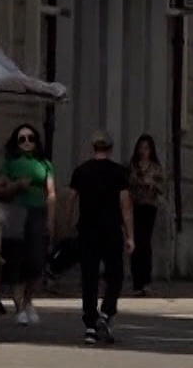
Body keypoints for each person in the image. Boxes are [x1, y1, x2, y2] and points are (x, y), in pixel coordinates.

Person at [66, 131, 134, 346]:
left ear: (93, 147)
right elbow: (126, 206)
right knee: (115, 274)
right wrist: (130, 235)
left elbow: (70, 200)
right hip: (111, 229)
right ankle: (106, 313)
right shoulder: (119, 173)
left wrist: (68, 224)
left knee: (89, 277)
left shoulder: (81, 171)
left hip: (87, 229)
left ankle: (89, 326)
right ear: (110, 148)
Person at [0, 123, 56, 326]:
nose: (27, 142)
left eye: (31, 138)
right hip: (16, 213)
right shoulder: (10, 163)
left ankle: (29, 300)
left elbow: (51, 193)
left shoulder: (45, 164)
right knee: (16, 259)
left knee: (36, 260)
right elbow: (0, 189)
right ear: (16, 142)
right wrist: (17, 185)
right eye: (22, 139)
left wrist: (51, 219)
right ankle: (19, 306)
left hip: (37, 213)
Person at [128, 135, 165, 296]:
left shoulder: (155, 167)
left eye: (146, 148)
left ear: (151, 150)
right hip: (135, 205)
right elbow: (128, 184)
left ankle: (146, 281)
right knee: (135, 241)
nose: (143, 151)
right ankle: (137, 282)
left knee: (145, 242)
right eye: (141, 148)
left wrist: (153, 183)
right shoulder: (133, 166)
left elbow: (162, 185)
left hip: (149, 206)